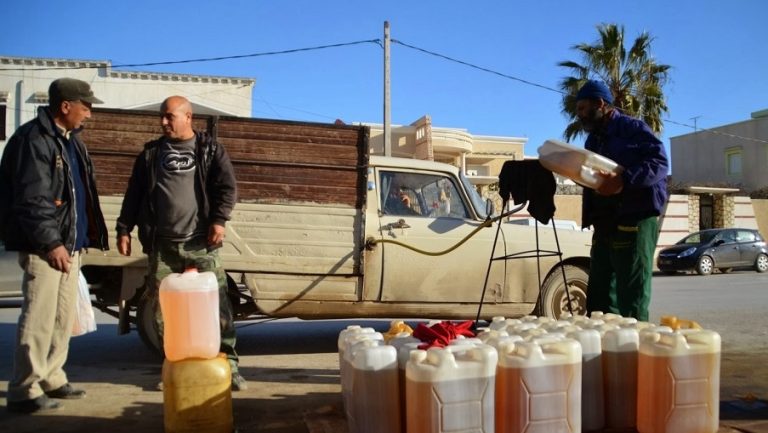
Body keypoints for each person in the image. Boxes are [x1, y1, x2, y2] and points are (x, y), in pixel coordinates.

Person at [114, 96, 247, 390]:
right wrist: (124, 228)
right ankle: (175, 368)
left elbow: (227, 188)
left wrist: (219, 221)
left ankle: (230, 366)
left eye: (169, 116)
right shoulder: (150, 154)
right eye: (162, 116)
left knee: (218, 306)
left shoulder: (210, 149)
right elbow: (134, 194)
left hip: (201, 243)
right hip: (162, 245)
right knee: (165, 311)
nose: (163, 122)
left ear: (189, 117)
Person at [0, 78, 109, 413]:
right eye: (86, 106)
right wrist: (51, 243)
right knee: (39, 320)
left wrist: (81, 238)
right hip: (45, 249)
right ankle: (24, 390)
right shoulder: (34, 139)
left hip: (69, 246)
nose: (89, 113)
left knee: (63, 320)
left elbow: (77, 195)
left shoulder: (70, 140)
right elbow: (33, 200)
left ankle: (52, 377)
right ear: (66, 106)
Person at [575, 80, 669, 321]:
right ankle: (604, 353)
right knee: (600, 296)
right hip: (606, 220)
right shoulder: (593, 141)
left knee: (631, 297)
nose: (581, 115)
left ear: (600, 103)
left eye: (584, 108)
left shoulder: (633, 129)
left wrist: (623, 180)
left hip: (635, 219)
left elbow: (658, 163)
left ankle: (634, 351)